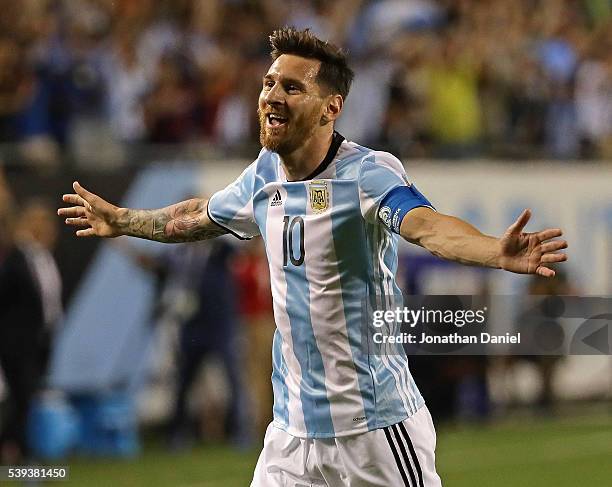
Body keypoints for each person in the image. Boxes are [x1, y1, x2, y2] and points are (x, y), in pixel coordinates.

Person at [58, 28, 568, 487]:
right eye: (268, 83)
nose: (272, 97)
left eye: (292, 87)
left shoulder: (367, 174)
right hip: (291, 437)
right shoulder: (264, 175)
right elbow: (198, 215)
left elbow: (427, 227)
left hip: (373, 433)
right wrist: (123, 221)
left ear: (331, 107)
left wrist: (492, 251)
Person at [1, 199, 63, 463]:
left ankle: (21, 450)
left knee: (28, 398)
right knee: (22, 397)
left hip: (42, 339)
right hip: (16, 342)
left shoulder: (46, 258)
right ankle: (21, 451)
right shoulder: (17, 258)